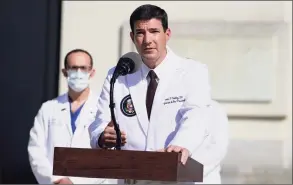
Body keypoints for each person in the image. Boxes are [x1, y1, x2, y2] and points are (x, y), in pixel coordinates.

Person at [89, 4, 229, 184]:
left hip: (174, 177)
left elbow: (196, 114)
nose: (147, 40)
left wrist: (181, 145)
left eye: (154, 31)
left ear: (167, 34)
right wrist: (101, 136)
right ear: (132, 37)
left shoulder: (192, 71)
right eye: (140, 33)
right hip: (132, 177)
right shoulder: (118, 75)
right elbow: (100, 121)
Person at [28, 49, 116, 184]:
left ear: (92, 72)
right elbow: (36, 150)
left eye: (83, 68)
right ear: (65, 72)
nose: (79, 73)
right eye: (74, 68)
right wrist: (56, 180)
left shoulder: (104, 108)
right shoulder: (49, 108)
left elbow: (111, 155)